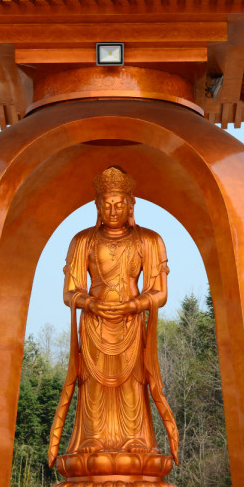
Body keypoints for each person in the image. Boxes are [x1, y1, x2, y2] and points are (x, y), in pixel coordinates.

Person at [48, 166, 179, 469]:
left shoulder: (149, 240)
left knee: (133, 382)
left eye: (119, 204)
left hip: (131, 324)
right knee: (92, 384)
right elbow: (70, 292)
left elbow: (160, 292)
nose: (113, 210)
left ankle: (136, 439)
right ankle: (92, 439)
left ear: (131, 205)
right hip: (94, 324)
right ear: (97, 206)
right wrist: (90, 304)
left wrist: (134, 305)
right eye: (107, 204)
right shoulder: (83, 241)